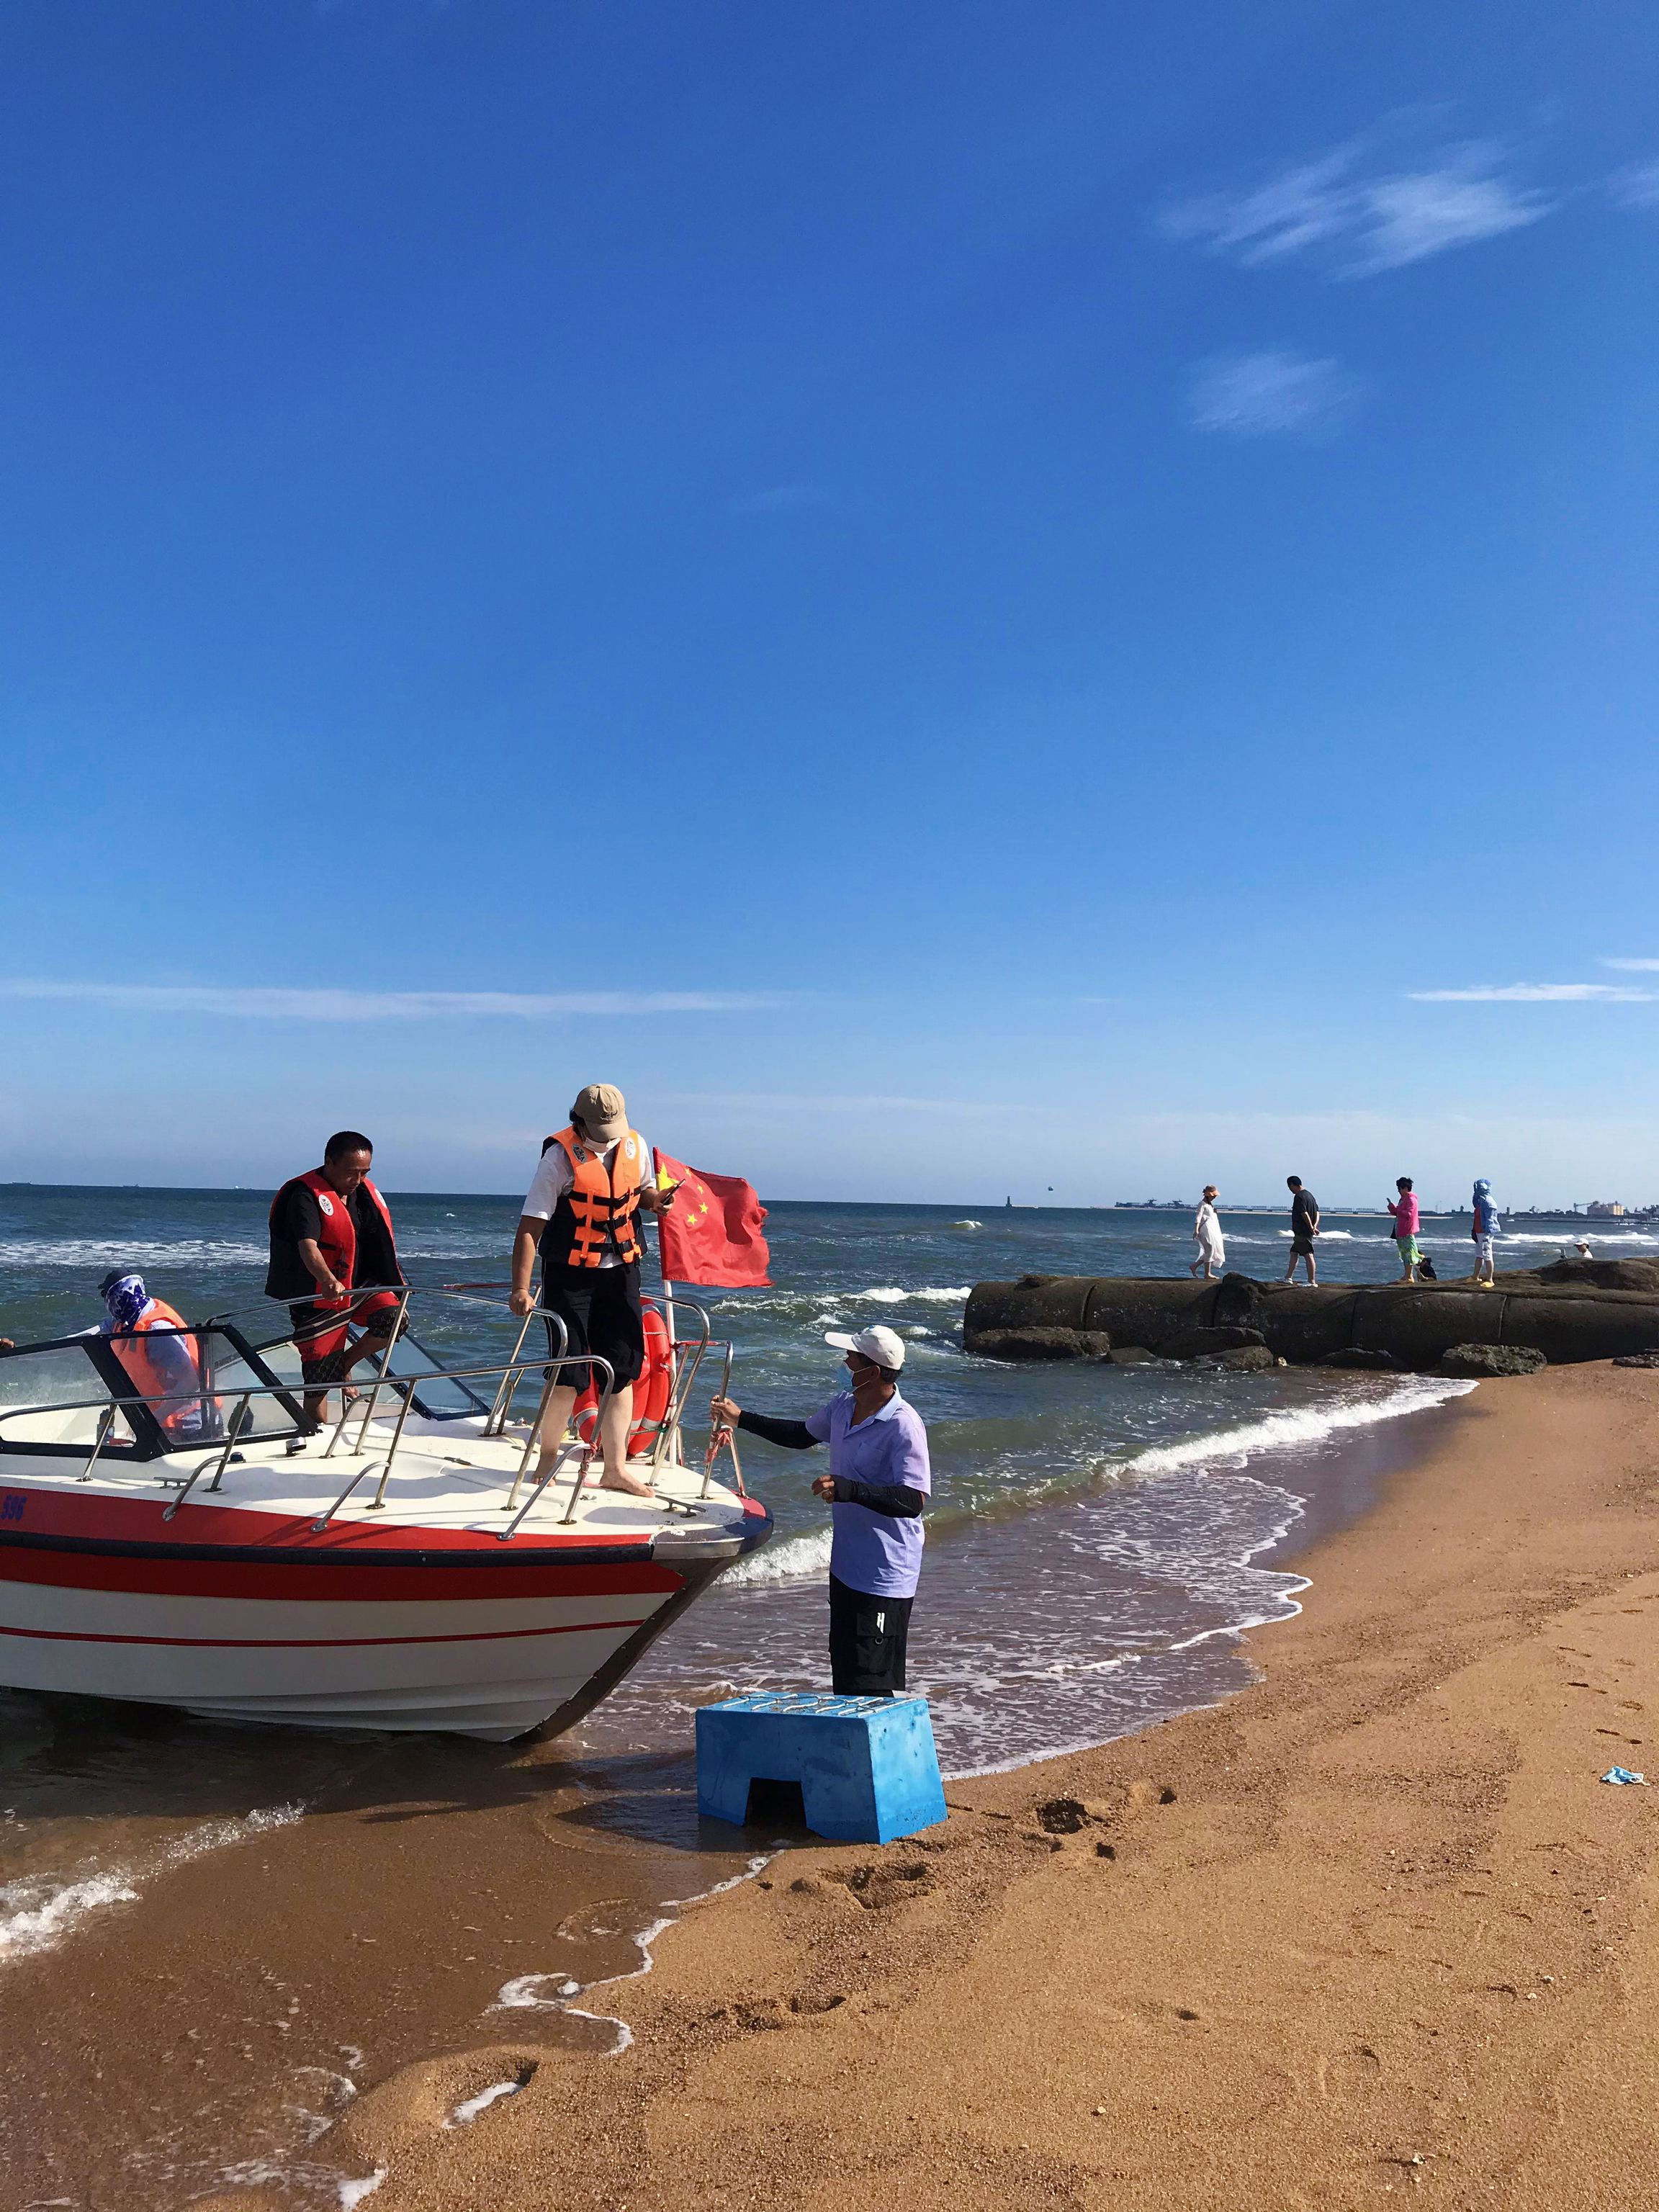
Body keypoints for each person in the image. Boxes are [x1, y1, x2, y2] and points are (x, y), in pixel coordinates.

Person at [710, 1323, 929, 1696]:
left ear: (873, 1371)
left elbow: (913, 1500)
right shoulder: (844, 1406)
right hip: (846, 1566)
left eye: (852, 1358)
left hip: (885, 1573)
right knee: (845, 1667)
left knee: (872, 1679)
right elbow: (800, 1435)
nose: (844, 1362)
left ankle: (878, 1751)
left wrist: (850, 1489)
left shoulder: (903, 1425)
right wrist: (741, 1418)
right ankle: (846, 1749)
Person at [508, 1084, 678, 1499]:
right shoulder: (558, 1159)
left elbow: (638, 1194)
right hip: (571, 1276)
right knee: (569, 1372)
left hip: (621, 1272)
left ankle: (615, 1468)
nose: (609, 1136)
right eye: (600, 1129)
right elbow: (531, 1227)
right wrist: (521, 1287)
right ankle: (548, 1458)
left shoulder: (634, 1145)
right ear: (578, 1120)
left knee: (621, 1371)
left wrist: (656, 1200)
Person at [267, 1131, 405, 1425]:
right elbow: (308, 1246)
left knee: (394, 1319)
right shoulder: (304, 1195)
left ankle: (344, 1364)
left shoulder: (361, 1192)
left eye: (364, 1172)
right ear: (329, 1162)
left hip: (359, 1286)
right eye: (351, 1172)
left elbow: (375, 1240)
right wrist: (328, 1279)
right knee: (318, 1382)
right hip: (318, 1296)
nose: (357, 1180)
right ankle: (316, 1437)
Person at [96, 1270, 216, 1442]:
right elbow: (95, 1333)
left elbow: (190, 1382)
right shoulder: (127, 1322)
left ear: (119, 1295)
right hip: (164, 1423)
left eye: (105, 1295)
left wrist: (152, 1420)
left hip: (190, 1425)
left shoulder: (158, 1331)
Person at [1284, 1177, 1320, 1284]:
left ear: (1292, 1184)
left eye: (1289, 1187)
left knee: (1308, 1254)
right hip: (1305, 1231)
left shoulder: (1299, 1196)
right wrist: (1314, 1226)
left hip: (1303, 1231)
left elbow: (1304, 1213)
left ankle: (1311, 1281)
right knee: (1294, 1252)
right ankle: (1288, 1278)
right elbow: (1317, 1212)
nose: (1290, 1190)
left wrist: (1310, 1227)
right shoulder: (1310, 1196)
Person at [1387, 1177, 1421, 1283]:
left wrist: (1397, 1210)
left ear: (1406, 1188)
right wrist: (1393, 1209)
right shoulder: (1403, 1199)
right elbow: (1399, 1213)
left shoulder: (1411, 1199)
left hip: (1407, 1230)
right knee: (1404, 1253)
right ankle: (1407, 1276)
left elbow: (1409, 1214)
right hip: (1400, 1229)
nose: (1399, 1191)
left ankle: (1409, 1277)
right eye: (1398, 1189)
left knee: (1409, 1253)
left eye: (1400, 1188)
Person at [1470, 1179, 1501, 1286]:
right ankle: (1475, 1276)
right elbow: (1476, 1211)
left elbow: (1490, 1219)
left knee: (1487, 1255)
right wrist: (1474, 1230)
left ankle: (1490, 1280)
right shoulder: (1480, 1201)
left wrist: (1488, 1233)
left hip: (1485, 1233)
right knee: (1479, 1255)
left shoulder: (1489, 1202)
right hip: (1479, 1232)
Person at [1190, 1186, 1225, 1280]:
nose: (1214, 1197)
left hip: (1212, 1230)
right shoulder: (1202, 1204)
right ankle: (1207, 1273)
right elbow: (1198, 1217)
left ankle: (1195, 1266)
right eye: (1213, 1195)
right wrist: (1196, 1229)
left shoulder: (1210, 1205)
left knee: (1211, 1250)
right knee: (1209, 1248)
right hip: (1205, 1229)